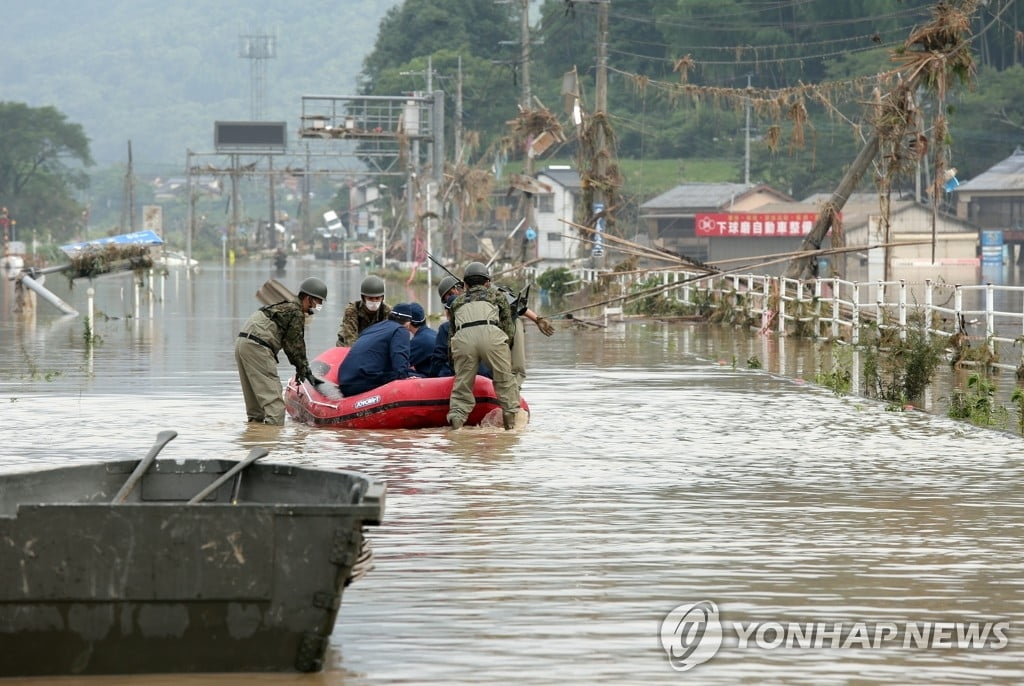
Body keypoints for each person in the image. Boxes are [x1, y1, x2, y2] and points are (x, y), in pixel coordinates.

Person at [235, 276, 327, 425]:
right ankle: (274, 443)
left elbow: (289, 344)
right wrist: (305, 372)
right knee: (275, 409)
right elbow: (295, 346)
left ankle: (254, 439)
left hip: (242, 344)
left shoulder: (283, 307)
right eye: (318, 302)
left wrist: (301, 370)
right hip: (258, 347)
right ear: (309, 299)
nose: (318, 306)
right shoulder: (296, 312)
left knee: (256, 411)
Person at [446, 262, 520, 430]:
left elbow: (451, 335)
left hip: (463, 339)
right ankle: (511, 427)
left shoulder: (456, 302)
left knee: (462, 385)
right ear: (488, 282)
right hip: (491, 335)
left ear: (465, 284)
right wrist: (503, 349)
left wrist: (453, 360)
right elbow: (508, 328)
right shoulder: (497, 296)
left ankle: (456, 426)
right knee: (504, 381)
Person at [338, 305, 415, 397]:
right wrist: (406, 378)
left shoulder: (374, 328)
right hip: (363, 381)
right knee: (415, 375)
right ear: (408, 322)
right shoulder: (400, 330)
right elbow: (399, 361)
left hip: (345, 381)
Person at [337, 274, 391, 347]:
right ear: (363, 298)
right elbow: (350, 337)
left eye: (377, 298)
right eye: (370, 298)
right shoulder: (352, 310)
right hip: (353, 346)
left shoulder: (387, 311)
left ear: (382, 298)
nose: (374, 301)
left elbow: (388, 335)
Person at [402, 302, 437, 375]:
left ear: (408, 322)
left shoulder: (419, 341)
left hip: (433, 379)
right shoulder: (434, 333)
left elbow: (400, 363)